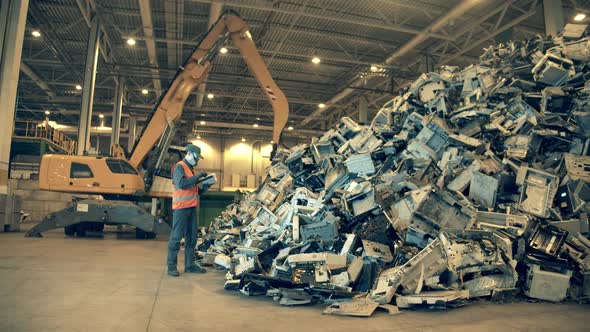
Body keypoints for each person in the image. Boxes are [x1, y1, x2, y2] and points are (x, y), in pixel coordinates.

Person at [167, 144, 209, 277]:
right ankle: (171, 267)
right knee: (176, 237)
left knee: (191, 238)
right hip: (181, 209)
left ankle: (189, 265)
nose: (197, 161)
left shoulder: (190, 169)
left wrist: (205, 185)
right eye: (197, 158)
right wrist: (198, 177)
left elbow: (193, 189)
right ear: (189, 154)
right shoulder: (179, 167)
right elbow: (182, 184)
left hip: (191, 207)